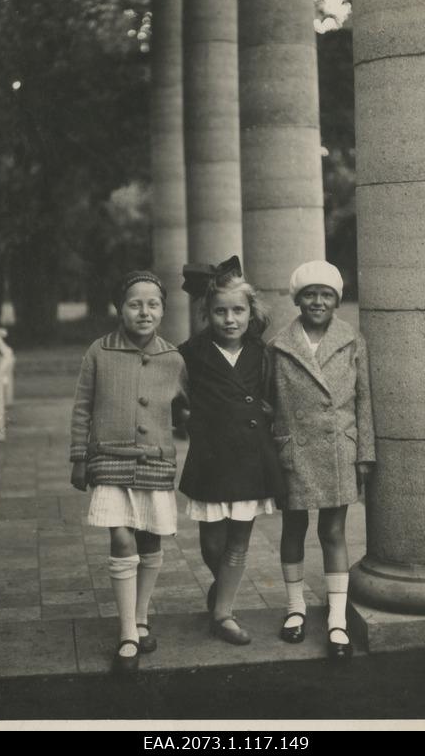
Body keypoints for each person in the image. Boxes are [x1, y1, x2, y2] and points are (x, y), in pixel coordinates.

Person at [70, 271, 188, 674]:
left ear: (163, 310)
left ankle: (141, 617)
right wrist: (78, 456)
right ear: (120, 308)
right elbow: (82, 407)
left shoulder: (172, 357)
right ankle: (126, 633)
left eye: (153, 304)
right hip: (109, 459)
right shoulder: (99, 352)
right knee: (121, 538)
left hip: (154, 461)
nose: (144, 311)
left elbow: (188, 406)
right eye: (135, 303)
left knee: (151, 541)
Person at [268, 261, 375, 659]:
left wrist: (364, 453)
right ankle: (295, 609)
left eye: (325, 295)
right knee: (293, 528)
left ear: (336, 300)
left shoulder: (351, 340)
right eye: (309, 294)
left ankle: (336, 618)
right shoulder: (279, 344)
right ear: (297, 300)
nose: (317, 301)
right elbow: (268, 402)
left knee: (333, 531)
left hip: (337, 450)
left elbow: (364, 400)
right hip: (294, 450)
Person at [179, 256, 285, 645]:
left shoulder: (262, 353)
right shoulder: (190, 352)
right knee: (212, 542)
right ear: (207, 313)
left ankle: (223, 613)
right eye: (220, 311)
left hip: (250, 458)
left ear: (250, 312)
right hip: (211, 459)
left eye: (238, 310)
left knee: (238, 541)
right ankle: (221, 587)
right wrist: (187, 417)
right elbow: (178, 399)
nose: (230, 319)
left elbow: (273, 396)